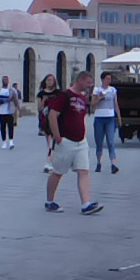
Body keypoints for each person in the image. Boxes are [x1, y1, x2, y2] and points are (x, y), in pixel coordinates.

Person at [45, 71, 101, 215]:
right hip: (66, 141)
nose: (90, 86)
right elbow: (52, 114)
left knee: (84, 171)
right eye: (88, 83)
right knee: (58, 172)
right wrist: (57, 137)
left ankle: (86, 204)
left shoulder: (83, 97)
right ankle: (50, 201)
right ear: (80, 80)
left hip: (81, 142)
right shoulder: (65, 96)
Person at [90, 72, 121, 174]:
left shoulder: (112, 90)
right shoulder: (97, 90)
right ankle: (99, 163)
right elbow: (92, 104)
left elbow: (115, 104)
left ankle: (113, 164)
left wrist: (119, 117)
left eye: (110, 79)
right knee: (99, 142)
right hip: (99, 117)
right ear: (102, 79)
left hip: (110, 117)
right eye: (107, 78)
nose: (109, 80)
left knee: (111, 141)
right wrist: (99, 97)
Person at [0, 75, 22, 149]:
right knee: (2, 127)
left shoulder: (12, 91)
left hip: (9, 112)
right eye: (4, 80)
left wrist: (19, 109)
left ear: (8, 81)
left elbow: (16, 101)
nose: (5, 81)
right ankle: (4, 142)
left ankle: (11, 142)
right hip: (1, 112)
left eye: (6, 80)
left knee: (10, 127)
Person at [36, 74, 60, 155]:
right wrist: (44, 100)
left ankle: (53, 150)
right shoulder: (41, 94)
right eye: (48, 80)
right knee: (48, 135)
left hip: (56, 117)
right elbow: (39, 108)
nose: (50, 82)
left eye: (51, 80)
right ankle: (50, 150)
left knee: (55, 135)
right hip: (45, 117)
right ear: (45, 81)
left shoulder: (58, 92)